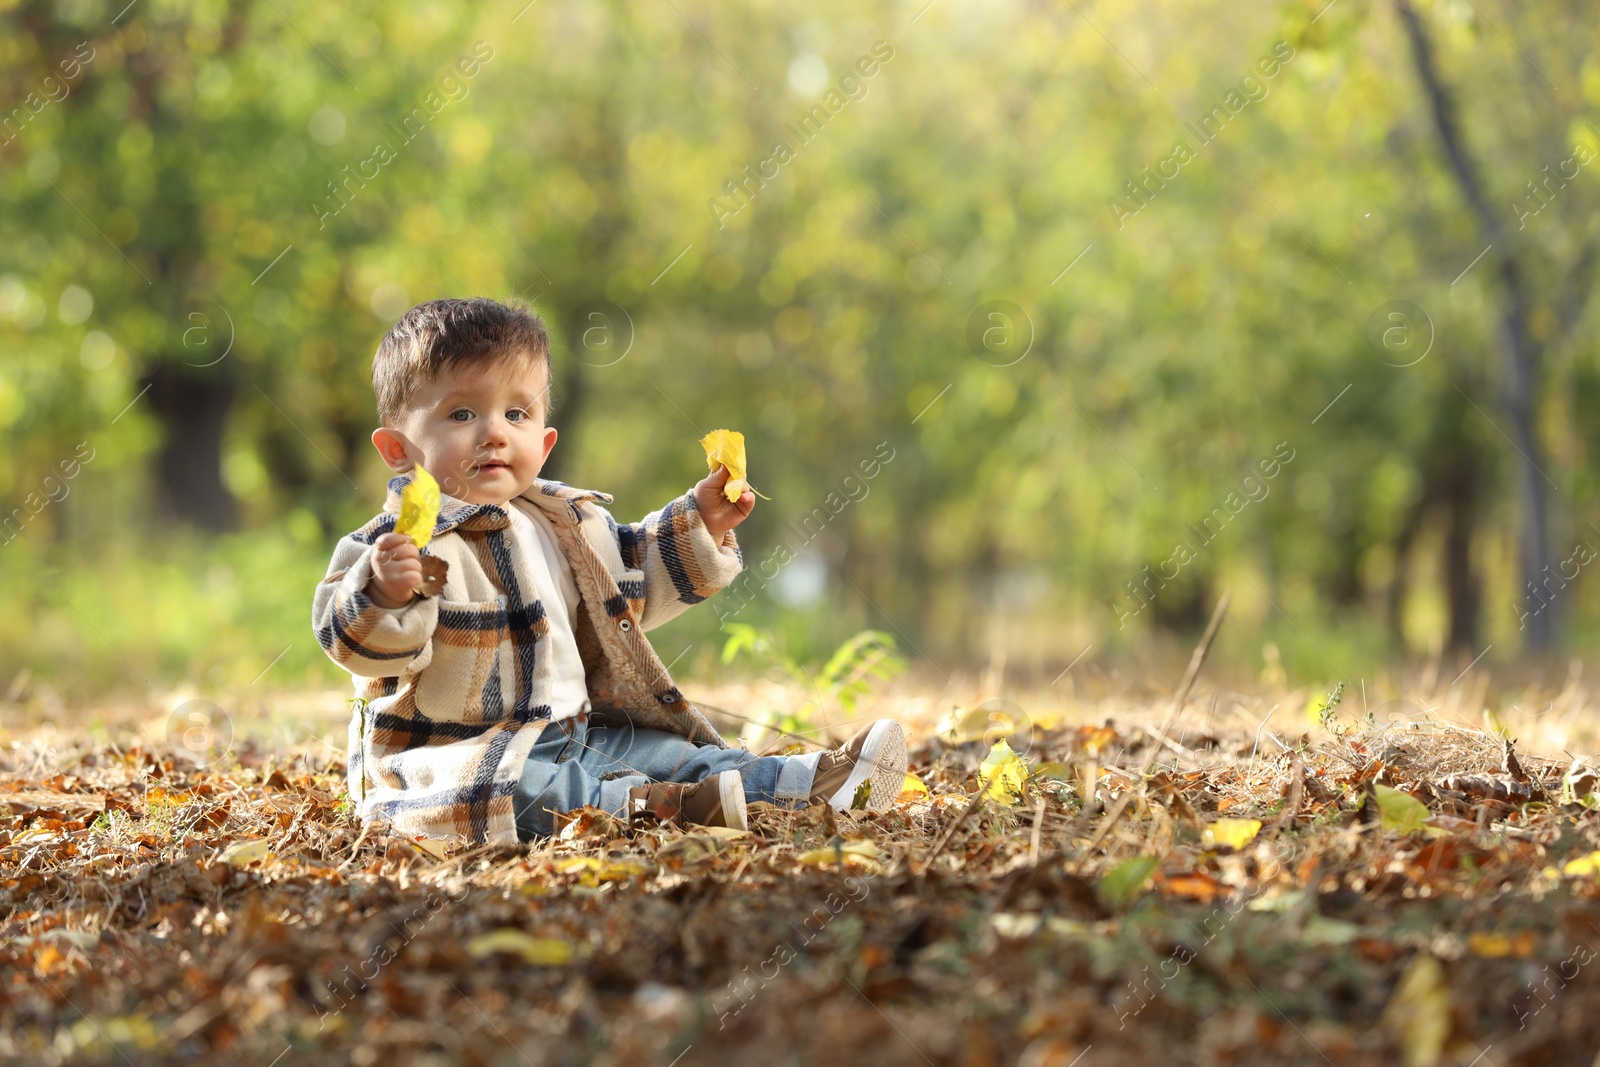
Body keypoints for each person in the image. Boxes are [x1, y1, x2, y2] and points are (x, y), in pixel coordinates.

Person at [311, 297, 908, 845]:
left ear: (543, 443)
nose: (494, 432)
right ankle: (663, 808)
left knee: (675, 752)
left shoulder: (567, 522)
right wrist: (388, 594)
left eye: (516, 413)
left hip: (581, 736)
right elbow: (355, 642)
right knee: (520, 795)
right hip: (462, 757)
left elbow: (634, 577)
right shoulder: (396, 546)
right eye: (462, 413)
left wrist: (701, 520)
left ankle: (808, 784)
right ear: (397, 449)